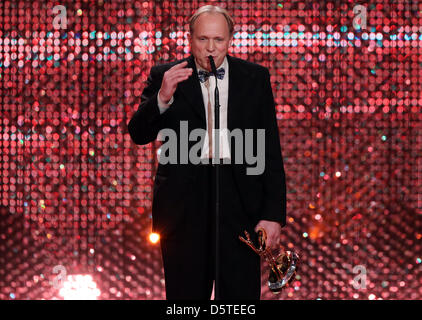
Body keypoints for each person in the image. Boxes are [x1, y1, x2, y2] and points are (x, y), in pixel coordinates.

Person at [128, 5, 286, 300]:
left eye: (218, 40)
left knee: (239, 301)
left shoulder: (255, 78)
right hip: (184, 208)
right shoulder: (166, 75)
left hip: (241, 204)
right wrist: (162, 98)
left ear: (230, 40)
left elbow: (269, 150)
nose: (211, 48)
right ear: (190, 39)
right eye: (203, 39)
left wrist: (273, 214)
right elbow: (138, 134)